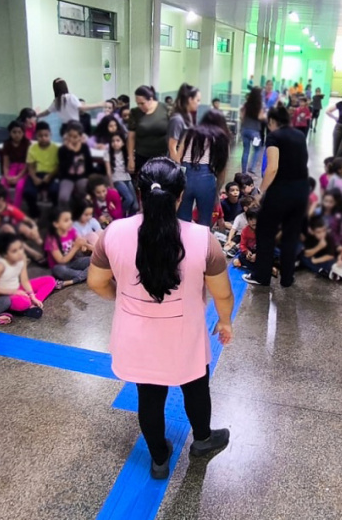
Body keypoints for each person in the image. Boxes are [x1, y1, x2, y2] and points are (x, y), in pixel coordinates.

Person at [87, 157, 233, 480]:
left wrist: (121, 297)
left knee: (149, 397)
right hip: (185, 335)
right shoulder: (202, 238)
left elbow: (96, 282)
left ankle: (158, 458)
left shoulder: (114, 233)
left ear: (140, 194)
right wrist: (225, 321)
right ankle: (203, 440)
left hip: (136, 335)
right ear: (180, 197)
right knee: (196, 388)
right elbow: (222, 293)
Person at [242, 104, 309, 288]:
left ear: (272, 121)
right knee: (290, 235)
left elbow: (272, 168)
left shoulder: (274, 136)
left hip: (281, 192)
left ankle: (261, 276)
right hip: (301, 191)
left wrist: (260, 192)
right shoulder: (300, 135)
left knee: (265, 233)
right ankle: (287, 278)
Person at [172, 109, 231, 227]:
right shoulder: (221, 138)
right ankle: (202, 239)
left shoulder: (190, 132)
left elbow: (177, 159)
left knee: (182, 220)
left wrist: (178, 180)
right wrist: (217, 189)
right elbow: (222, 170)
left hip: (185, 175)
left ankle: (182, 238)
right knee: (204, 221)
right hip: (206, 179)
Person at [0, 232, 62, 318]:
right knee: (23, 303)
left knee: (50, 280)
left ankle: (32, 303)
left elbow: (24, 280)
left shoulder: (21, 258)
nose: (20, 252)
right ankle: (26, 305)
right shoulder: (0, 266)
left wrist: (32, 296)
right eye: (14, 251)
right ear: (5, 254)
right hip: (4, 294)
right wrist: (14, 292)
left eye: (20, 248)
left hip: (17, 287)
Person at [127, 85, 170, 176]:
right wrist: (130, 158)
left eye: (142, 103)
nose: (140, 106)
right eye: (137, 103)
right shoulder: (135, 112)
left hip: (162, 157)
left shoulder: (166, 109)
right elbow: (131, 137)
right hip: (141, 156)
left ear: (151, 99)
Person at [23, 121, 60, 219]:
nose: (43, 138)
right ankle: (34, 213)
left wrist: (50, 176)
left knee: (55, 191)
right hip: (37, 174)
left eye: (46, 135)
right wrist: (34, 178)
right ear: (36, 136)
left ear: (50, 134)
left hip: (52, 174)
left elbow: (58, 166)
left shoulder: (55, 148)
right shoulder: (32, 148)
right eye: (40, 136)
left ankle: (55, 212)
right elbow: (30, 166)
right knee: (28, 192)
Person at [44, 207, 90, 285]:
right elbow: (61, 261)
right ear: (56, 224)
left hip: (74, 261)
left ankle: (82, 276)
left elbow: (80, 242)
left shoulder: (72, 231)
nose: (70, 222)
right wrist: (76, 247)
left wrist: (83, 246)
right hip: (60, 266)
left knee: (93, 260)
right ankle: (85, 274)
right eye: (66, 220)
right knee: (60, 270)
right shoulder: (51, 239)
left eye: (70, 219)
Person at [56, 121, 96, 206]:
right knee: (63, 198)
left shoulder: (84, 148)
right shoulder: (62, 150)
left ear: (80, 137)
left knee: (84, 192)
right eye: (69, 136)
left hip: (82, 177)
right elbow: (63, 168)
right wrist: (71, 152)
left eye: (75, 137)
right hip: (67, 177)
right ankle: (65, 212)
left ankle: (84, 210)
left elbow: (89, 165)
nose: (71, 139)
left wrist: (89, 178)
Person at [37, 78, 103, 125]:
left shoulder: (56, 101)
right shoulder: (70, 97)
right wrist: (98, 104)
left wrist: (36, 115)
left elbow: (46, 112)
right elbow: (82, 108)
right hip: (74, 126)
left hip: (65, 127)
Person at [104, 132, 138, 216]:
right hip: (116, 179)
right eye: (113, 141)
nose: (115, 143)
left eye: (118, 140)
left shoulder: (127, 153)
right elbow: (108, 172)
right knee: (129, 199)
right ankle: (118, 215)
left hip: (127, 178)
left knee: (135, 206)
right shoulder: (108, 153)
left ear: (123, 143)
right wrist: (112, 187)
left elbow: (132, 169)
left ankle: (128, 220)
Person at [0, 120, 30, 209]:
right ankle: (7, 206)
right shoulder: (7, 144)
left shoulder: (27, 143)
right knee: (3, 184)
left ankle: (15, 209)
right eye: (14, 132)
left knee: (20, 186)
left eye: (19, 132)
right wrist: (6, 176)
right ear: (10, 133)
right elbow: (6, 163)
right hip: (12, 167)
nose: (17, 135)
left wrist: (18, 177)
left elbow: (28, 164)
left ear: (23, 133)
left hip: (24, 169)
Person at [168, 83, 200, 159]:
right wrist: (177, 164)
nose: (199, 103)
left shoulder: (188, 116)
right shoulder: (177, 120)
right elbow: (172, 148)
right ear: (190, 100)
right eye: (198, 100)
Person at [239, 88, 266, 175]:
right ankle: (252, 168)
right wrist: (265, 116)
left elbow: (241, 117)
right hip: (255, 132)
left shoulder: (246, 104)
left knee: (246, 150)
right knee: (257, 149)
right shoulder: (260, 105)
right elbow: (260, 117)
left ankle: (243, 171)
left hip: (245, 130)